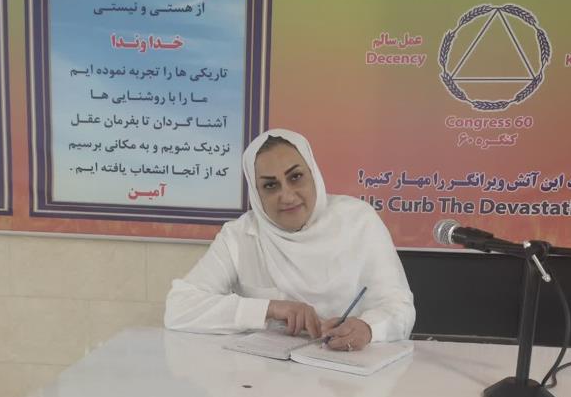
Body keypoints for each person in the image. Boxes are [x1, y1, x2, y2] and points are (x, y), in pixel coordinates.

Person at [164, 129, 415, 351]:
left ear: (313, 174)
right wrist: (269, 308)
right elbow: (179, 308)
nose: (286, 196)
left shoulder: (359, 221)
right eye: (270, 186)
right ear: (256, 194)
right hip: (265, 379)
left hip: (349, 377)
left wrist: (368, 328)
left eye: (295, 177)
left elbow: (399, 307)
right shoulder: (240, 235)